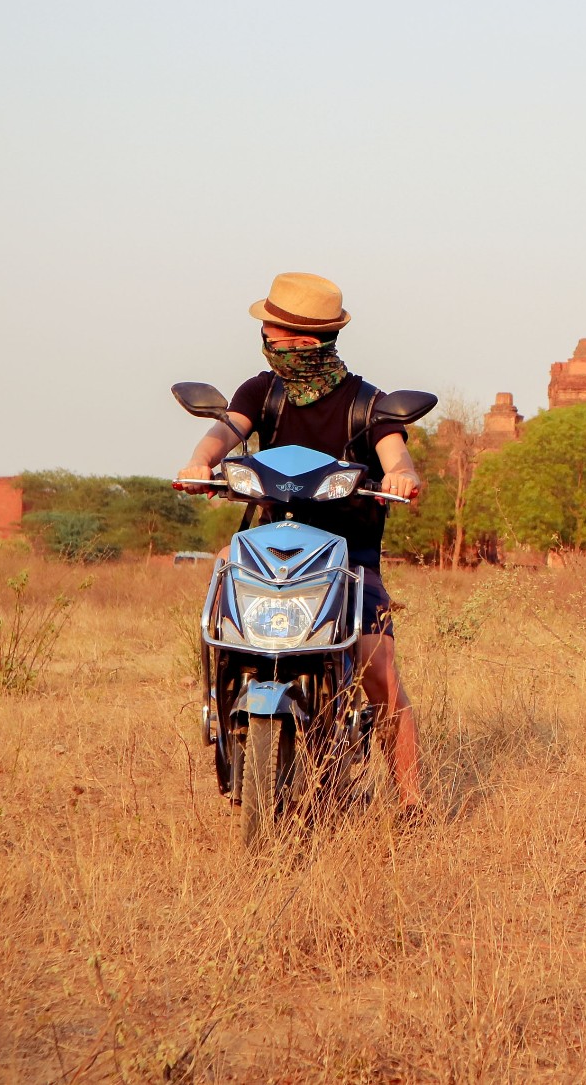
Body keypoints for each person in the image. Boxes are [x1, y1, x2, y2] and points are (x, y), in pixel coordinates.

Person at [176, 272, 424, 811]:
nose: (264, 338)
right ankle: (219, 702)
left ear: (301, 341)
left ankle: (412, 801)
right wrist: (203, 460)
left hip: (347, 555)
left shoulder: (369, 403)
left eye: (271, 330)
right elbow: (226, 431)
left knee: (378, 671)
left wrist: (401, 475)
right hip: (273, 540)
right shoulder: (262, 390)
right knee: (222, 567)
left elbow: (394, 454)